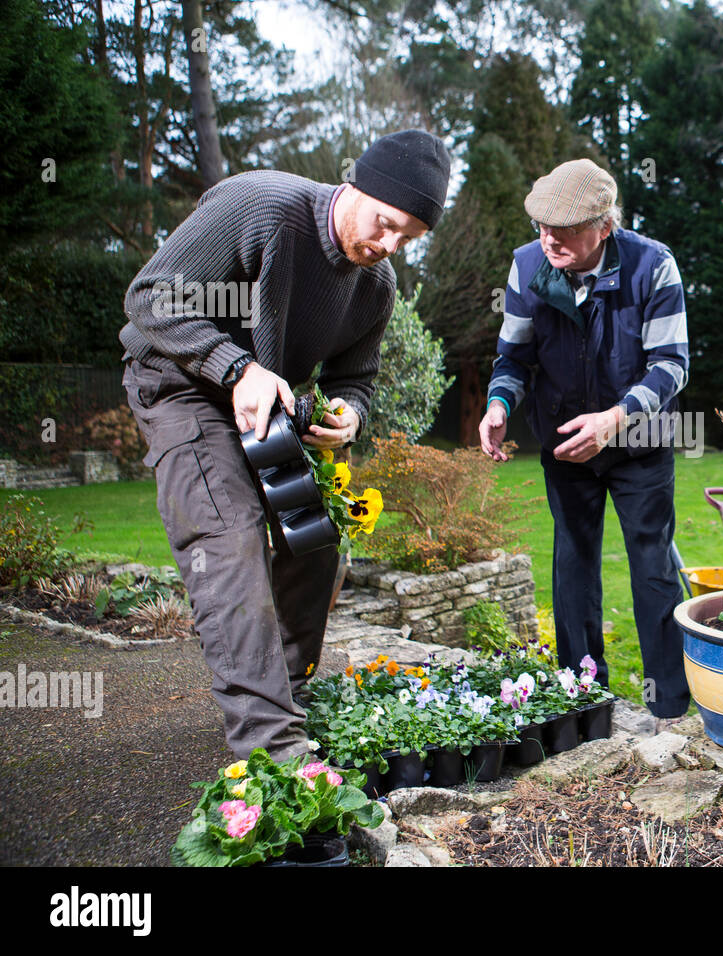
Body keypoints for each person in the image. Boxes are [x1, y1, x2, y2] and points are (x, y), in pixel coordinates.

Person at [119, 129, 451, 761]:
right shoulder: (263, 206)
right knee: (228, 537)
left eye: (409, 239)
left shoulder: (374, 289)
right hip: (179, 382)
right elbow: (149, 298)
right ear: (355, 186)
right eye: (386, 225)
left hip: (266, 409)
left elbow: (357, 379)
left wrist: (347, 415)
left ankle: (288, 691)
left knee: (315, 534)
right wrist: (234, 368)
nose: (389, 247)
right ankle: (272, 745)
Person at [478, 158, 691, 729]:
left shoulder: (654, 266)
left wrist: (614, 420)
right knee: (572, 564)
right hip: (567, 444)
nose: (548, 238)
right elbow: (513, 359)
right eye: (542, 225)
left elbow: (671, 366)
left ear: (604, 226)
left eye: (564, 229)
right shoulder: (529, 267)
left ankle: (668, 707)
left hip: (639, 441)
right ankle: (581, 703)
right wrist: (499, 405)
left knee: (651, 567)